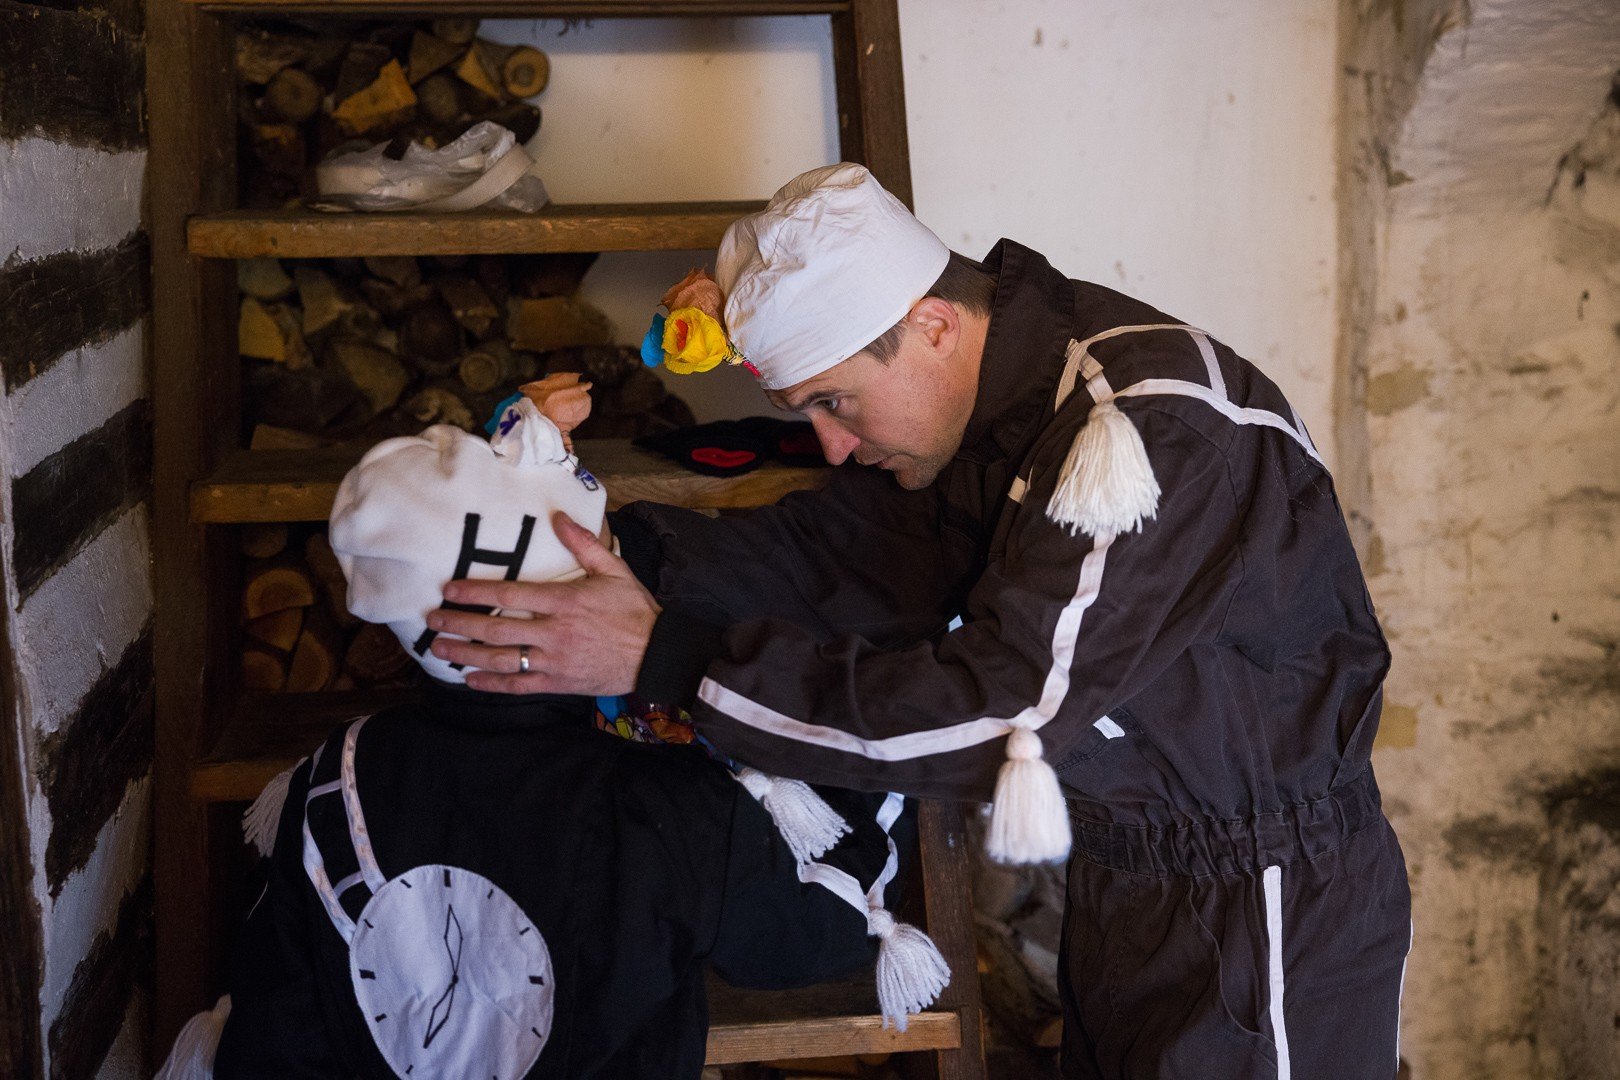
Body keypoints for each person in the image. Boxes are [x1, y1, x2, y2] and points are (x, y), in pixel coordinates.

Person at [423, 162, 1412, 1078]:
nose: (832, 445)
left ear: (932, 324)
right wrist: (591, 543)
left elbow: (1003, 715)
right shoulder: (991, 417)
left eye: (837, 401)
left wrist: (666, 655)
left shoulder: (1148, 430)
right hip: (1128, 883)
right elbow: (834, 556)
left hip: (1263, 906)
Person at [154, 384, 944, 1080]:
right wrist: (869, 746)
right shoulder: (673, 812)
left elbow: (274, 1031)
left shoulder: (338, 772)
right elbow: (819, 934)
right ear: (581, 607)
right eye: (611, 561)